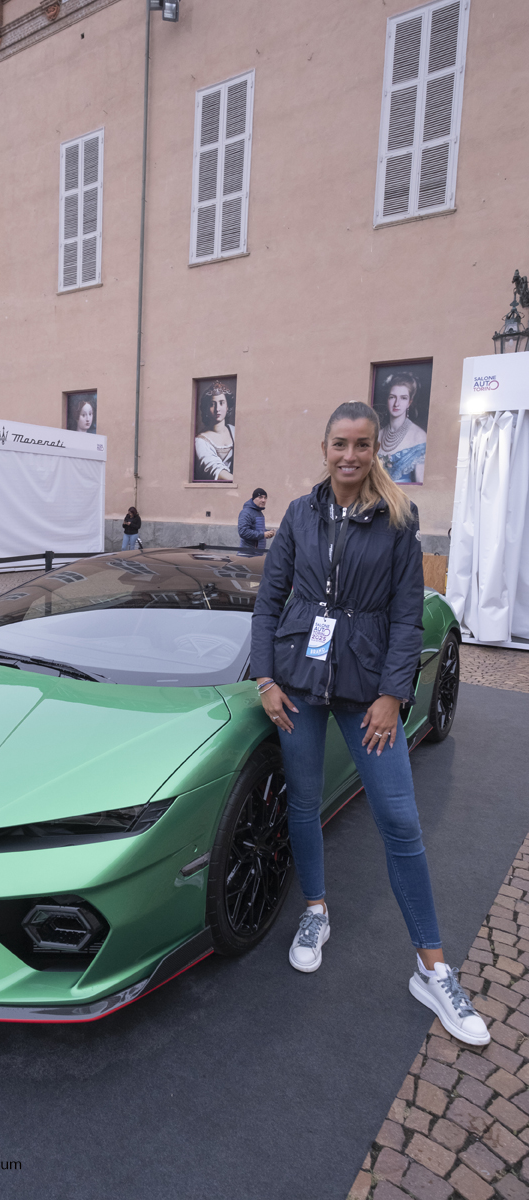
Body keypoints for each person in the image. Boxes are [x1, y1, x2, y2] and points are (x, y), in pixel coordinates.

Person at [250, 400, 488, 1046]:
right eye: (340, 444)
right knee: (303, 803)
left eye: (361, 444)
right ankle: (316, 910)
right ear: (324, 448)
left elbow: (408, 618)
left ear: (376, 448)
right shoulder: (299, 514)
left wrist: (392, 694)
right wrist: (266, 679)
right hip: (300, 682)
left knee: (401, 821)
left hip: (366, 693)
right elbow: (269, 603)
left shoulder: (398, 520)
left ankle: (432, 968)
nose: (350, 455)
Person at [378, 372, 427, 484]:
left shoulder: (419, 436)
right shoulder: (378, 435)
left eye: (403, 398)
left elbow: (421, 483)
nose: (397, 403)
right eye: (392, 397)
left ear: (409, 402)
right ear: (387, 399)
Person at [193, 384, 235, 482]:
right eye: (212, 404)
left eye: (221, 403)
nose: (217, 409)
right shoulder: (200, 441)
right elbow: (215, 469)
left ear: (228, 406)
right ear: (206, 409)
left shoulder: (234, 431)